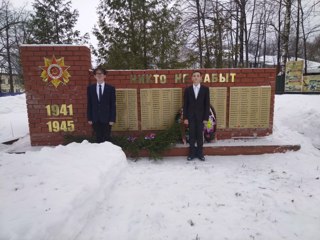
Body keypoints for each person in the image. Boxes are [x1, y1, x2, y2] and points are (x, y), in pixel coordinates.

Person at [183, 70, 210, 161]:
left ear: (201, 78)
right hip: (190, 117)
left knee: (199, 136)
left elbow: (207, 105)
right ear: (191, 78)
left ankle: (200, 153)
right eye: (194, 76)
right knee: (192, 135)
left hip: (201, 117)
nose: (196, 77)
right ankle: (191, 153)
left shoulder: (205, 89)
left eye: (198, 76)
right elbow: (185, 105)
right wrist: (185, 117)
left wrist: (206, 118)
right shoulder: (187, 90)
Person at [87, 67, 116, 143]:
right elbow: (89, 104)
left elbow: (113, 104)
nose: (99, 75)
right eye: (97, 74)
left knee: (107, 138)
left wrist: (112, 119)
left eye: (101, 73)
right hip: (95, 118)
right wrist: (89, 118)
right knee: (98, 138)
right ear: (94, 76)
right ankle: (99, 154)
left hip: (107, 118)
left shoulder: (110, 88)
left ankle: (107, 154)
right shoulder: (90, 88)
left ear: (104, 76)